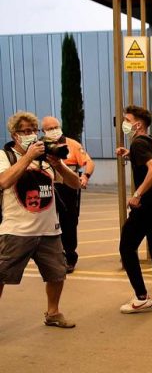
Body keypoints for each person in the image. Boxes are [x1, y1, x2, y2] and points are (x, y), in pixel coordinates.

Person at [0, 111, 80, 328]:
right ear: (14, 134)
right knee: (1, 274)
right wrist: (27, 157)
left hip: (49, 230)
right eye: (24, 131)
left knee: (56, 273)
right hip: (17, 230)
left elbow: (75, 183)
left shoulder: (45, 161)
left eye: (32, 131)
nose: (30, 135)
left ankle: (53, 313)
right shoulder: (4, 156)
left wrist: (58, 165)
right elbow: (4, 182)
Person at [115, 106, 152, 314]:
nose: (124, 123)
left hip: (146, 205)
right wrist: (130, 154)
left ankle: (141, 297)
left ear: (138, 124)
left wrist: (137, 194)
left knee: (127, 247)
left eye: (127, 120)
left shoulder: (138, 142)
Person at [41, 116, 94, 274]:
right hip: (46, 187)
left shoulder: (72, 144)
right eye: (49, 128)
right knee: (47, 223)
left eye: (56, 127)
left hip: (68, 187)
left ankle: (70, 257)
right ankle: (52, 257)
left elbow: (89, 162)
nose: (54, 130)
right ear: (43, 131)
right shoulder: (39, 146)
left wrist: (85, 176)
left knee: (69, 222)